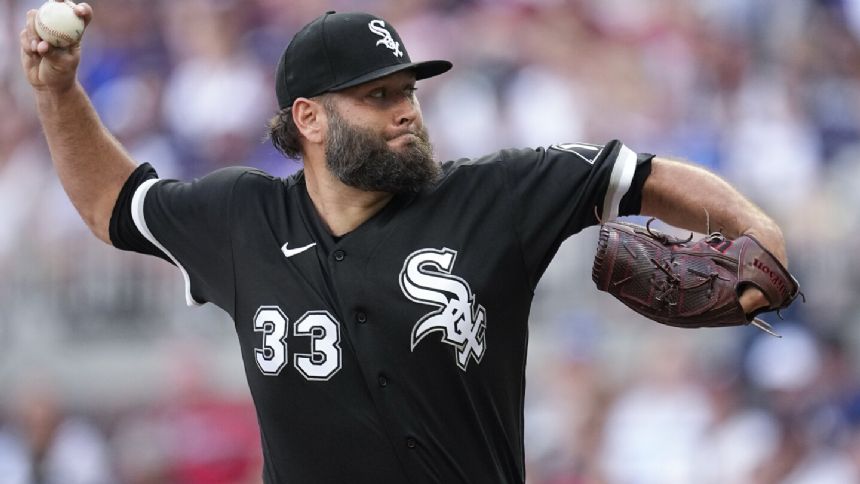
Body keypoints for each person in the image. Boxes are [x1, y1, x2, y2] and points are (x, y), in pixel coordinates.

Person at [20, 4, 789, 483]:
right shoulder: (241, 217)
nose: (406, 112)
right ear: (310, 119)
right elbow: (112, 202)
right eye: (378, 95)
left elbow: (639, 172)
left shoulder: (492, 194)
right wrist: (58, 92)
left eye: (408, 91)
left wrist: (758, 230)